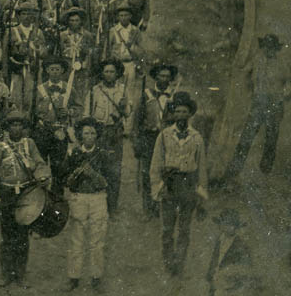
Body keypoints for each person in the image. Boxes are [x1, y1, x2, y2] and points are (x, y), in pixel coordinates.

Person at [0, 109, 51, 288]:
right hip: (6, 194)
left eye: (19, 125)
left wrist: (42, 175)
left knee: (22, 235)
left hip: (25, 193)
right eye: (12, 125)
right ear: (7, 127)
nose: (16, 128)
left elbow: (39, 163)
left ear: (24, 127)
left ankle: (21, 274)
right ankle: (6, 273)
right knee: (7, 235)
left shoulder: (29, 144)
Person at [150, 92, 208, 276]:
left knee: (184, 228)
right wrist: (156, 188)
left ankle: (179, 264)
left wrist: (202, 194)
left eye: (185, 112)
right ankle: (168, 263)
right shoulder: (165, 135)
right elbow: (156, 164)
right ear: (173, 114)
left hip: (188, 184)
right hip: (169, 184)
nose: (181, 115)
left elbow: (202, 167)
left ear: (190, 114)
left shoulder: (197, 137)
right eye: (178, 112)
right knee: (167, 228)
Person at [223, 33, 291, 181]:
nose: (268, 50)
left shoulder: (282, 64)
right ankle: (234, 169)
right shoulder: (256, 60)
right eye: (266, 47)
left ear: (276, 48)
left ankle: (266, 170)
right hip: (258, 103)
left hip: (274, 103)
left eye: (271, 47)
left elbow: (289, 84)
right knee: (247, 135)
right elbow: (243, 74)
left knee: (271, 137)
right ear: (263, 48)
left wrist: (282, 95)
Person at [62, 117, 114, 292]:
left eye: (93, 133)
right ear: (80, 136)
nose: (90, 136)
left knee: (97, 239)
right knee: (76, 239)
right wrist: (74, 175)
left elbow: (110, 181)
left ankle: (96, 277)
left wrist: (93, 175)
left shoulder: (104, 155)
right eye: (86, 133)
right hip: (79, 198)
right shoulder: (73, 154)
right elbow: (66, 179)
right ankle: (74, 277)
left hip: (98, 198)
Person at [86, 58, 131, 215]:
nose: (109, 74)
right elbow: (88, 114)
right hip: (98, 133)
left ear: (117, 73)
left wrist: (124, 106)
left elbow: (128, 113)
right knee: (96, 167)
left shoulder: (123, 90)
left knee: (114, 170)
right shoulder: (94, 91)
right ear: (102, 73)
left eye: (112, 71)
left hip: (115, 133)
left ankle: (112, 207)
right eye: (106, 71)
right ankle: (97, 207)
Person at [133, 61, 177, 217]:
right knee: (147, 174)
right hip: (149, 138)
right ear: (156, 77)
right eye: (161, 75)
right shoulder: (146, 94)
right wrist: (137, 142)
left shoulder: (174, 96)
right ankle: (147, 209)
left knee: (166, 173)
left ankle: (162, 208)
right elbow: (137, 120)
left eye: (167, 76)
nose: (164, 79)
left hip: (168, 140)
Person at [34, 55, 79, 181]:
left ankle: (56, 197)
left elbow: (78, 107)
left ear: (62, 71)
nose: (54, 72)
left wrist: (69, 111)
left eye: (57, 69)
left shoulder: (69, 89)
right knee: (41, 166)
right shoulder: (39, 89)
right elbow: (32, 109)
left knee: (58, 166)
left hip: (60, 132)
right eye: (52, 69)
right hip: (43, 131)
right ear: (47, 70)